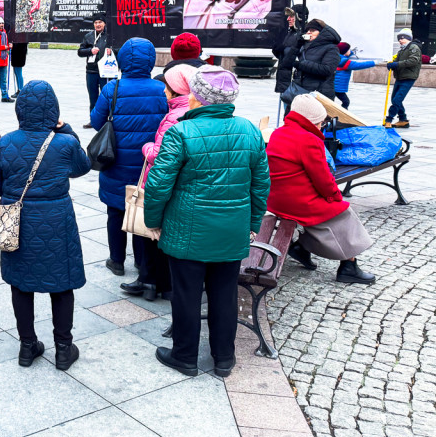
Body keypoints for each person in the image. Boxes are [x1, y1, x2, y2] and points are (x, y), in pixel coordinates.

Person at [143, 66, 270, 378]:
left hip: (187, 229)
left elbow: (159, 184)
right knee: (224, 294)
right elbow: (261, 184)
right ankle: (224, 358)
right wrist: (252, 223)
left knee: (186, 293)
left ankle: (185, 356)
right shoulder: (250, 130)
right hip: (231, 230)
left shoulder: (181, 132)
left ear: (197, 97)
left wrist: (153, 221)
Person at [0, 81, 90, 370]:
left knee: (21, 284)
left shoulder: (7, 142)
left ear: (21, 110)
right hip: (58, 221)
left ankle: (27, 346)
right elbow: (83, 167)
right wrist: (65, 127)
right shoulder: (65, 142)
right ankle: (63, 349)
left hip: (19, 223)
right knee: (62, 284)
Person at [268, 95, 376, 284]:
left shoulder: (278, 133)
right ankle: (349, 266)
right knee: (343, 212)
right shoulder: (308, 140)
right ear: (311, 121)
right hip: (296, 201)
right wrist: (336, 198)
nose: (321, 126)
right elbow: (324, 180)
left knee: (327, 208)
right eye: (320, 123)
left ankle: (302, 248)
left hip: (276, 198)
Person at [90, 37, 168, 276]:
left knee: (115, 211)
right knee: (142, 209)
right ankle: (141, 261)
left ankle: (116, 260)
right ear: (151, 61)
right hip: (148, 164)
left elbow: (95, 122)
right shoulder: (161, 89)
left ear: (122, 60)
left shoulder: (112, 89)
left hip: (115, 162)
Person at [121, 64, 198, 301]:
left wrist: (145, 147)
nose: (163, 90)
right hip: (181, 182)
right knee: (164, 235)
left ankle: (149, 282)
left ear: (175, 89)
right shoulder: (189, 110)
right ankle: (163, 283)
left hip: (161, 180)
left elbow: (161, 153)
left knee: (151, 234)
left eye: (167, 86)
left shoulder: (174, 115)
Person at [291, 19, 341, 100]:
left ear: (321, 33)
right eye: (307, 30)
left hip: (319, 93)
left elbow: (327, 69)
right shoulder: (304, 46)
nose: (309, 32)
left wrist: (300, 64)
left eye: (313, 30)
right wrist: (297, 44)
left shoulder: (331, 48)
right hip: (300, 91)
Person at [384, 28, 422, 128]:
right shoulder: (402, 50)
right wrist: (391, 64)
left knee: (397, 99)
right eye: (399, 38)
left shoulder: (413, 47)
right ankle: (403, 119)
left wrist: (397, 64)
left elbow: (413, 61)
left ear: (409, 38)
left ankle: (389, 119)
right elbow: (396, 60)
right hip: (400, 77)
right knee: (395, 99)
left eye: (403, 38)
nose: (400, 40)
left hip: (408, 77)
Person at [272, 5, 308, 97]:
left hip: (297, 82)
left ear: (299, 17)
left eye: (291, 16)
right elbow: (284, 58)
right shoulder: (289, 33)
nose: (288, 19)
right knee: (287, 108)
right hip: (285, 80)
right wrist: (277, 49)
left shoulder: (305, 35)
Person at [78, 15, 108, 122]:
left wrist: (110, 51)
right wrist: (90, 51)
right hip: (91, 71)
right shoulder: (89, 36)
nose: (98, 25)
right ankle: (93, 121)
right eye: (95, 23)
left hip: (106, 71)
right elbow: (80, 52)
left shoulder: (109, 36)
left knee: (106, 97)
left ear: (104, 23)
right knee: (93, 98)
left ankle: (107, 120)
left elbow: (118, 50)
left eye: (100, 22)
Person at [334, 42, 377, 109]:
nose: (350, 51)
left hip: (333, 86)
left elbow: (344, 54)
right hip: (337, 87)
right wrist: (374, 62)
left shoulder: (337, 57)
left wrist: (350, 53)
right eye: (348, 49)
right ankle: (343, 116)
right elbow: (359, 65)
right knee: (346, 102)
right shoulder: (344, 62)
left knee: (333, 101)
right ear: (344, 52)